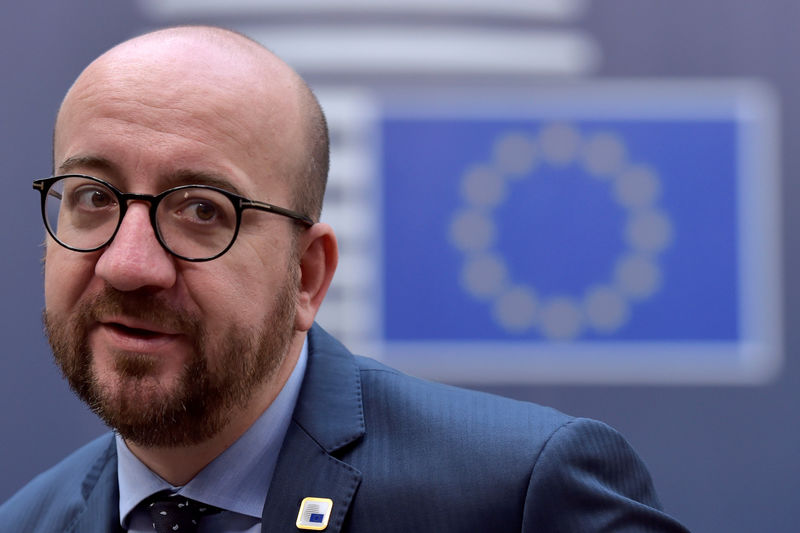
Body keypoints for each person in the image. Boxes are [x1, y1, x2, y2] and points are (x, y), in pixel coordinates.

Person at [0, 25, 688, 532]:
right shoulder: (28, 521)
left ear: (306, 275)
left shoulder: (522, 493)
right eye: (93, 197)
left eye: (202, 210)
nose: (128, 263)